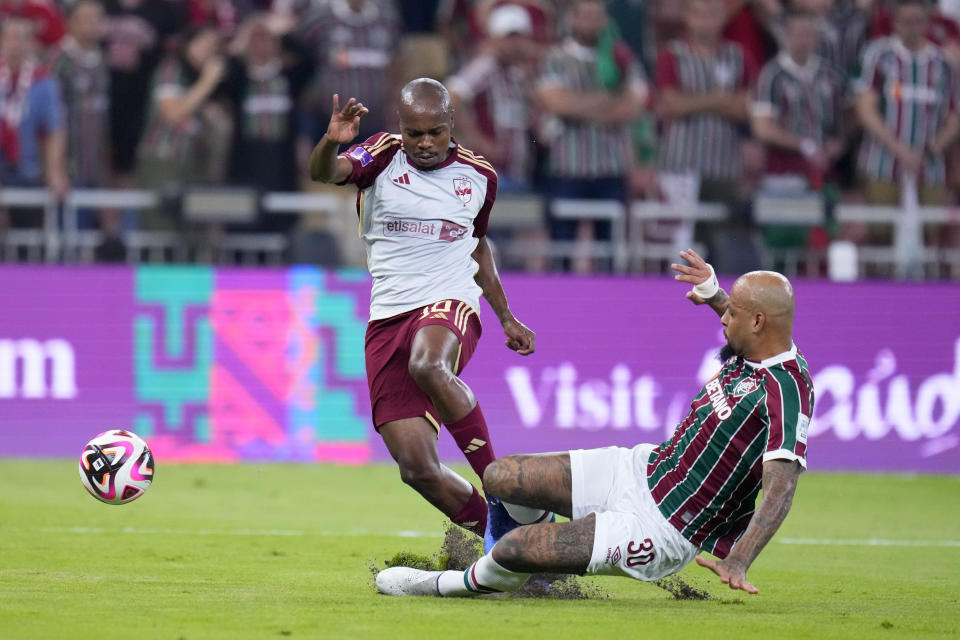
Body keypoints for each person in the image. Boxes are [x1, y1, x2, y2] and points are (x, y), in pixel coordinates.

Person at [377, 248, 814, 597]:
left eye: (732, 312)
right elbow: (742, 318)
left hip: (663, 528)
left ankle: (454, 584)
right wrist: (717, 291)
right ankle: (535, 560)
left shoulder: (788, 391)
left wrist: (739, 559)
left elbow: (782, 486)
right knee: (500, 476)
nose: (723, 316)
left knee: (511, 549)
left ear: (757, 322)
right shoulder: (753, 344)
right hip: (642, 469)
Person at [309, 79, 548, 542]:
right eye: (414, 133)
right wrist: (329, 142)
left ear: (451, 125)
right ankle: (511, 545)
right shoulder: (380, 155)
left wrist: (505, 316)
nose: (423, 143)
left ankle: (498, 487)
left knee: (429, 364)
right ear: (400, 127)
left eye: (434, 132)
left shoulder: (480, 177)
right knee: (417, 468)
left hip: (450, 300)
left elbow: (477, 249)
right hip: (388, 316)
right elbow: (326, 173)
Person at [535, 0, 648, 272]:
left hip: (611, 167)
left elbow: (634, 107)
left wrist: (577, 108)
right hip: (567, 168)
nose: (590, 22)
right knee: (561, 247)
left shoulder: (621, 58)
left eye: (596, 16)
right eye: (584, 16)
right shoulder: (555, 58)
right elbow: (556, 104)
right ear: (572, 20)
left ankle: (610, 306)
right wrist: (608, 100)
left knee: (610, 250)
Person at [855, 0, 960, 207]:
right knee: (880, 230)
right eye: (906, 21)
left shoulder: (943, 64)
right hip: (882, 164)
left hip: (930, 167)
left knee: (929, 230)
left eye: (917, 21)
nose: (912, 27)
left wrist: (930, 150)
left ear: (928, 23)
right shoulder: (879, 56)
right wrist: (899, 149)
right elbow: (866, 109)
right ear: (895, 23)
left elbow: (954, 117)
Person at [751, 10, 847, 187]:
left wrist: (837, 144)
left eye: (808, 34)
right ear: (786, 36)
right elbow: (763, 128)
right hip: (784, 168)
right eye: (798, 34)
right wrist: (804, 146)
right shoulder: (771, 75)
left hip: (825, 167)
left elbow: (843, 122)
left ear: (817, 37)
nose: (803, 40)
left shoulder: (831, 75)